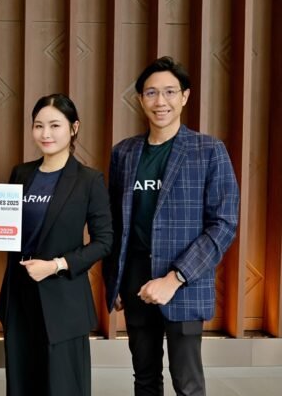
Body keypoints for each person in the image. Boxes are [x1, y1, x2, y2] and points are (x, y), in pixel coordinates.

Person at [103, 56, 240, 396]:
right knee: (145, 378)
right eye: (151, 93)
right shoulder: (124, 153)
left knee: (187, 383)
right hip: (136, 279)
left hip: (185, 281)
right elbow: (115, 222)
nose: (160, 101)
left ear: (185, 96)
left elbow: (223, 224)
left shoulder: (209, 150)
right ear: (140, 99)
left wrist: (175, 278)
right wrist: (114, 279)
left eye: (169, 92)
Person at [0, 94, 113, 396]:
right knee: (22, 384)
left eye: (55, 125)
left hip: (63, 298)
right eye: (38, 125)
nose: (45, 133)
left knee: (63, 386)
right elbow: (6, 226)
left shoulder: (88, 180)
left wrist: (56, 265)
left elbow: (104, 241)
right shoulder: (21, 173)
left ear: (74, 128)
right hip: (20, 296)